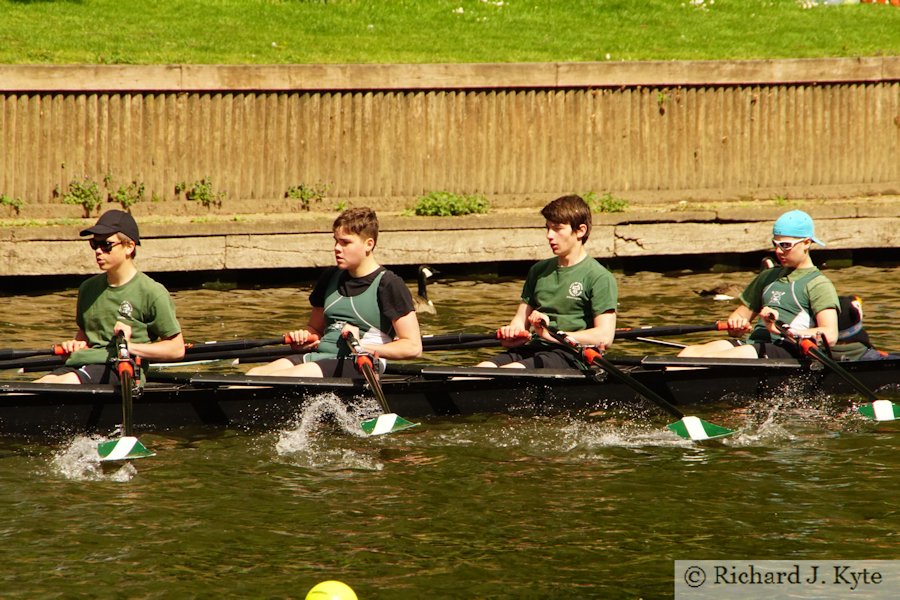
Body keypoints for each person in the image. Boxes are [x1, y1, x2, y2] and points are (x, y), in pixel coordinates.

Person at [247, 207, 422, 378]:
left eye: (345, 242)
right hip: (320, 357)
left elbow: (413, 347)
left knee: (289, 377)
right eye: (336, 241)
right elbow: (315, 329)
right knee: (253, 375)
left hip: (360, 363)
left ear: (369, 244)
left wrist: (362, 346)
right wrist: (304, 338)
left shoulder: (389, 284)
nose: (337, 248)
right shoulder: (330, 277)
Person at [35, 210, 185, 384]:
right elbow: (85, 336)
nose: (98, 251)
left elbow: (176, 349)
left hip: (121, 368)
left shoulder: (152, 292)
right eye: (94, 244)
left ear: (129, 246)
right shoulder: (88, 289)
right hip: (83, 364)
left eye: (106, 245)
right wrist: (74, 345)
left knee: (62, 382)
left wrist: (128, 347)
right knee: (33, 386)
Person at [476, 194, 618, 369]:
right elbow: (520, 320)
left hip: (572, 355)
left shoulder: (599, 277)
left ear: (580, 231)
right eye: (548, 228)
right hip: (534, 348)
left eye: (557, 229)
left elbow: (604, 336)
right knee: (478, 370)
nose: (549, 235)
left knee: (509, 372)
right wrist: (513, 333)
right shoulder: (539, 271)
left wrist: (549, 335)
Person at [678, 210, 839, 359]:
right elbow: (739, 317)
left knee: (710, 360)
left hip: (788, 348)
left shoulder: (818, 284)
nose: (778, 251)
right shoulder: (767, 277)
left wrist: (779, 329)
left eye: (785, 245)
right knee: (689, 353)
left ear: (807, 243)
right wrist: (736, 324)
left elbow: (830, 335)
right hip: (755, 344)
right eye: (775, 244)